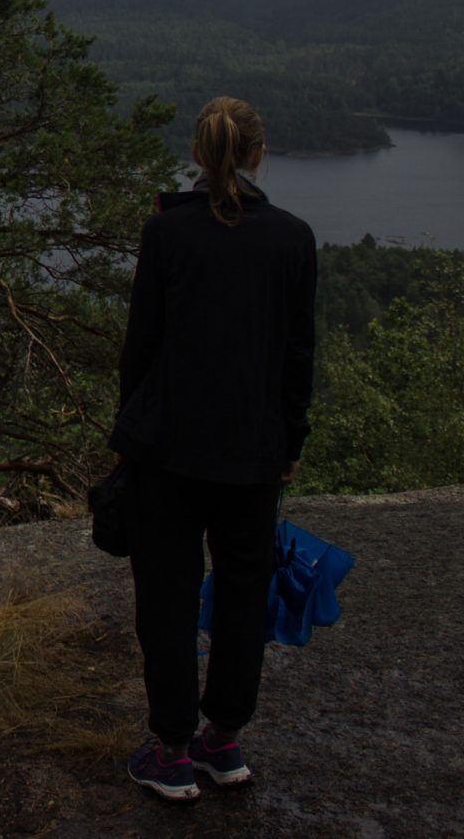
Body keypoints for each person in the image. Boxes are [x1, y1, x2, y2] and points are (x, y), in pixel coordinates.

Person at [107, 96, 317, 802]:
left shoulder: (166, 234)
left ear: (197, 155)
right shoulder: (293, 238)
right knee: (241, 592)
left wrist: (125, 437)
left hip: (165, 449)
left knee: (165, 596)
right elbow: (297, 357)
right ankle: (222, 741)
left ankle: (169, 750)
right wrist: (290, 440)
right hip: (253, 453)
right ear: (258, 153)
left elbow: (140, 350)